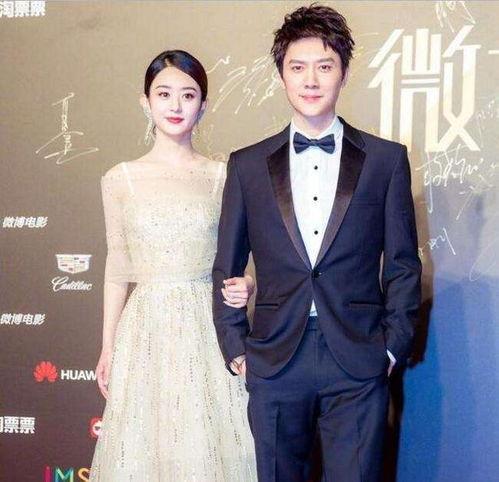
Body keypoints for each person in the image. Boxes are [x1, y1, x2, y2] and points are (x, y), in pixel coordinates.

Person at [212, 5, 422, 482]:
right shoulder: (246, 165)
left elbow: (403, 265)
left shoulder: (386, 160)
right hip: (275, 358)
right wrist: (237, 349)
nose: (311, 80)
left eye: (324, 66)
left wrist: (391, 348)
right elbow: (226, 264)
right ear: (281, 75)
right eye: (298, 67)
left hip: (357, 356)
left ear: (343, 73)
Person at [90, 49, 257, 481]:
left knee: (207, 446)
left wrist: (248, 283)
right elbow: (117, 269)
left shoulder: (224, 176)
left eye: (188, 94)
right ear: (145, 102)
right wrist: (108, 346)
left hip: (207, 325)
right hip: (145, 328)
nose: (175, 105)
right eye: (163, 94)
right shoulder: (120, 178)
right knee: (146, 447)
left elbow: (242, 260)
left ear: (204, 105)